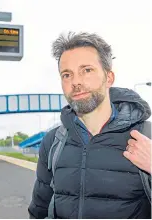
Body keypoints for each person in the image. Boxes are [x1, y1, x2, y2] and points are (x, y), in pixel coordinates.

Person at [28, 32, 151, 219]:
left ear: (109, 78)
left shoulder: (147, 137)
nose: (75, 82)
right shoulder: (53, 142)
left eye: (87, 70)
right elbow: (39, 211)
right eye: (67, 74)